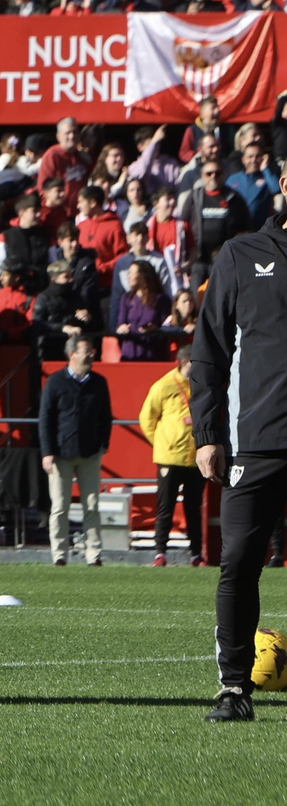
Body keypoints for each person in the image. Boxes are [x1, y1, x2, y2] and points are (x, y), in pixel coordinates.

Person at [190, 179, 287, 720]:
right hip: (256, 440)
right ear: (285, 183)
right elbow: (209, 351)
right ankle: (233, 689)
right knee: (239, 564)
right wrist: (208, 434)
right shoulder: (241, 254)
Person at [38, 335, 111, 568]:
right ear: (71, 354)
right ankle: (59, 555)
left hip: (90, 453)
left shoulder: (98, 382)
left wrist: (103, 444)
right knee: (60, 507)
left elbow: (106, 416)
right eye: (86, 350)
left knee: (92, 505)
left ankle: (94, 555)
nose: (91, 354)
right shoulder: (55, 382)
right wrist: (47, 452)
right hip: (61, 454)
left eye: (91, 350)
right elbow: (45, 419)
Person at [139, 345, 204, 568]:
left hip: (195, 456)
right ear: (185, 363)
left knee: (194, 508)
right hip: (169, 457)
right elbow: (146, 418)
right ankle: (160, 553)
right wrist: (160, 443)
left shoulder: (201, 384)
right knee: (165, 506)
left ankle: (196, 554)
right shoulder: (164, 385)